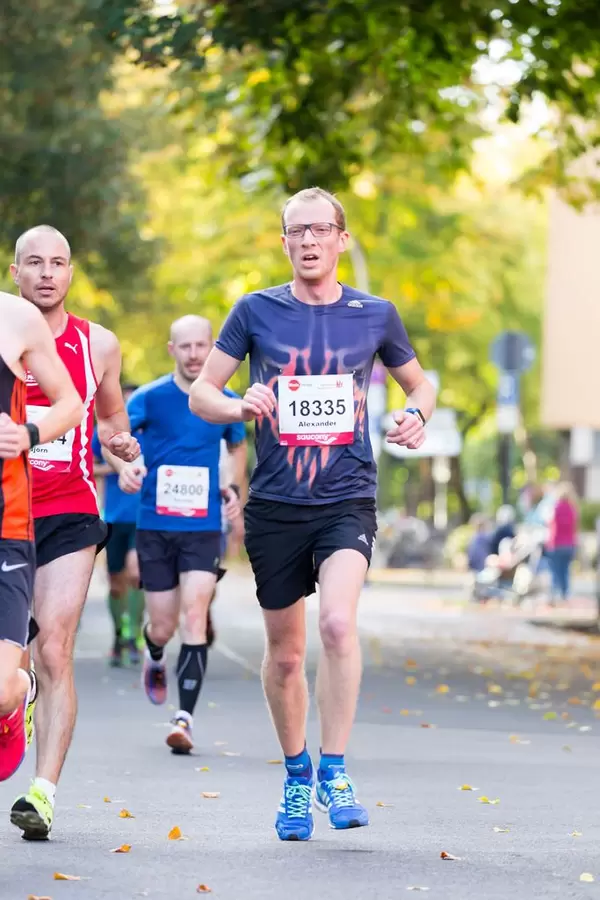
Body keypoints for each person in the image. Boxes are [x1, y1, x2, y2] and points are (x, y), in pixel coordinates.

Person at [189, 187, 436, 841]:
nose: (308, 241)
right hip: (275, 505)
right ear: (283, 242)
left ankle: (335, 769)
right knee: (287, 656)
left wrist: (416, 414)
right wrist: (240, 405)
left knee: (337, 624)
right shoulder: (255, 310)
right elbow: (202, 394)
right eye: (296, 231)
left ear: (341, 239)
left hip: (346, 498)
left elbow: (421, 384)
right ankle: (297, 775)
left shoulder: (375, 314)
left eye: (320, 229)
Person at [9, 225, 140, 840]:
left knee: (55, 646)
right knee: (16, 661)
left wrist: (122, 447)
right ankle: (15, 695)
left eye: (57, 263)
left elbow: (110, 418)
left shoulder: (98, 344)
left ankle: (43, 792)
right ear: (15, 273)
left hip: (68, 510)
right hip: (6, 510)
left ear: (70, 272)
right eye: (34, 263)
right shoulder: (4, 333)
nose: (46, 274)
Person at [109, 315, 247, 755]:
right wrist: (126, 467)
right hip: (155, 525)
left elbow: (237, 446)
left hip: (203, 527)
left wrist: (233, 489)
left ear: (212, 347)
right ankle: (153, 651)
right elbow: (114, 436)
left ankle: (183, 718)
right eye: (184, 346)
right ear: (172, 350)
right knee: (163, 625)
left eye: (200, 345)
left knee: (194, 617)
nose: (193, 354)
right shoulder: (149, 398)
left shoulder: (226, 401)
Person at [0, 291, 83, 783]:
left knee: (0, 688)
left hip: (6, 524)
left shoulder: (16, 317)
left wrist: (28, 433)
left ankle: (18, 694)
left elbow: (70, 404)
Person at [92, 384, 144, 667]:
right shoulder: (104, 433)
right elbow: (88, 465)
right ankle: (118, 635)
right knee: (115, 584)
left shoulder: (147, 431)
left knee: (136, 574)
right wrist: (117, 468)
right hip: (113, 516)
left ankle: (135, 633)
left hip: (142, 516)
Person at [547, 482, 578, 603]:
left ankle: (554, 593)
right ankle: (565, 594)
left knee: (555, 570)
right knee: (565, 570)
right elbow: (574, 528)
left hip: (556, 544)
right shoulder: (572, 509)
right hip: (569, 544)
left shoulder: (555, 508)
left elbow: (551, 526)